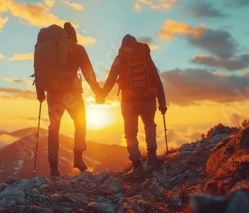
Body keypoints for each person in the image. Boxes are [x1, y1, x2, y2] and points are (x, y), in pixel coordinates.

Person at [36, 22, 102, 177]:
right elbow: (88, 73)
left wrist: (40, 92)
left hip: (53, 94)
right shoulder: (77, 49)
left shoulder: (48, 50)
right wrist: (97, 91)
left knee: (54, 128)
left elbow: (39, 70)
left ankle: (53, 167)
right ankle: (78, 158)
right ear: (72, 36)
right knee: (80, 122)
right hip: (72, 94)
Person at [100, 34, 167, 178]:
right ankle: (152, 157)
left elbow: (111, 78)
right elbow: (157, 81)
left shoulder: (120, 58)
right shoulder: (146, 57)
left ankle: (137, 166)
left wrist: (102, 95)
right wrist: (162, 103)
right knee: (149, 125)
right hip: (148, 99)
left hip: (129, 100)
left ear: (122, 46)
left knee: (130, 133)